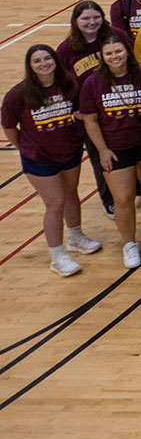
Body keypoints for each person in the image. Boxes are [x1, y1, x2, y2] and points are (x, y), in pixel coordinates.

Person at [3, 45, 98, 276]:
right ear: (30, 65)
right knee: (55, 204)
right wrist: (25, 147)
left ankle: (75, 236)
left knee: (71, 193)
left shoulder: (69, 86)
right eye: (37, 61)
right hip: (39, 158)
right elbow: (8, 126)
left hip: (69, 150)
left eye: (48, 58)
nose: (44, 63)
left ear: (55, 61)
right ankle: (57, 256)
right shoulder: (18, 94)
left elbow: (79, 112)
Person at [78, 37, 141, 265]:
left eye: (118, 51)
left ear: (127, 52)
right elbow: (90, 121)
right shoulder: (93, 82)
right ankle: (129, 243)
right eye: (109, 53)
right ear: (102, 57)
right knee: (124, 198)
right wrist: (102, 150)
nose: (114, 57)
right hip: (115, 146)